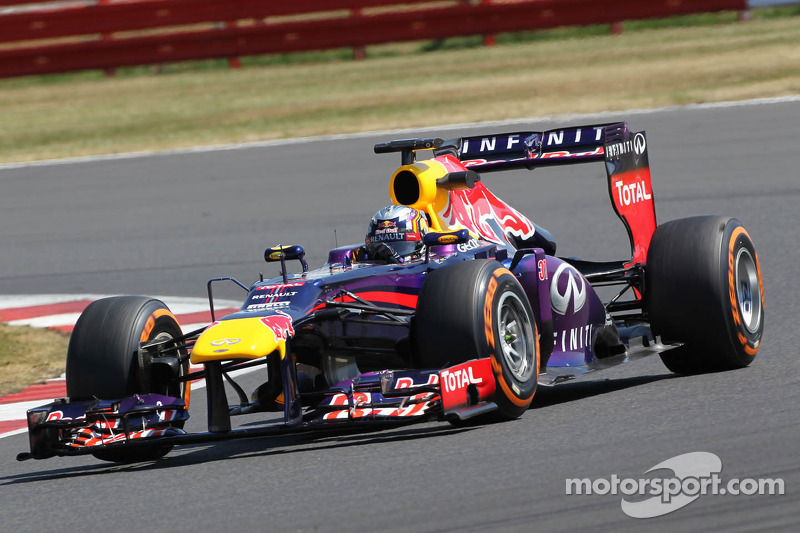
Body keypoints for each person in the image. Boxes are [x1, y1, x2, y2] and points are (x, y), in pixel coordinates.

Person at [364, 205, 429, 263]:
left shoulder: (435, 263)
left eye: (401, 247)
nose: (386, 255)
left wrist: (396, 259)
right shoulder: (359, 260)